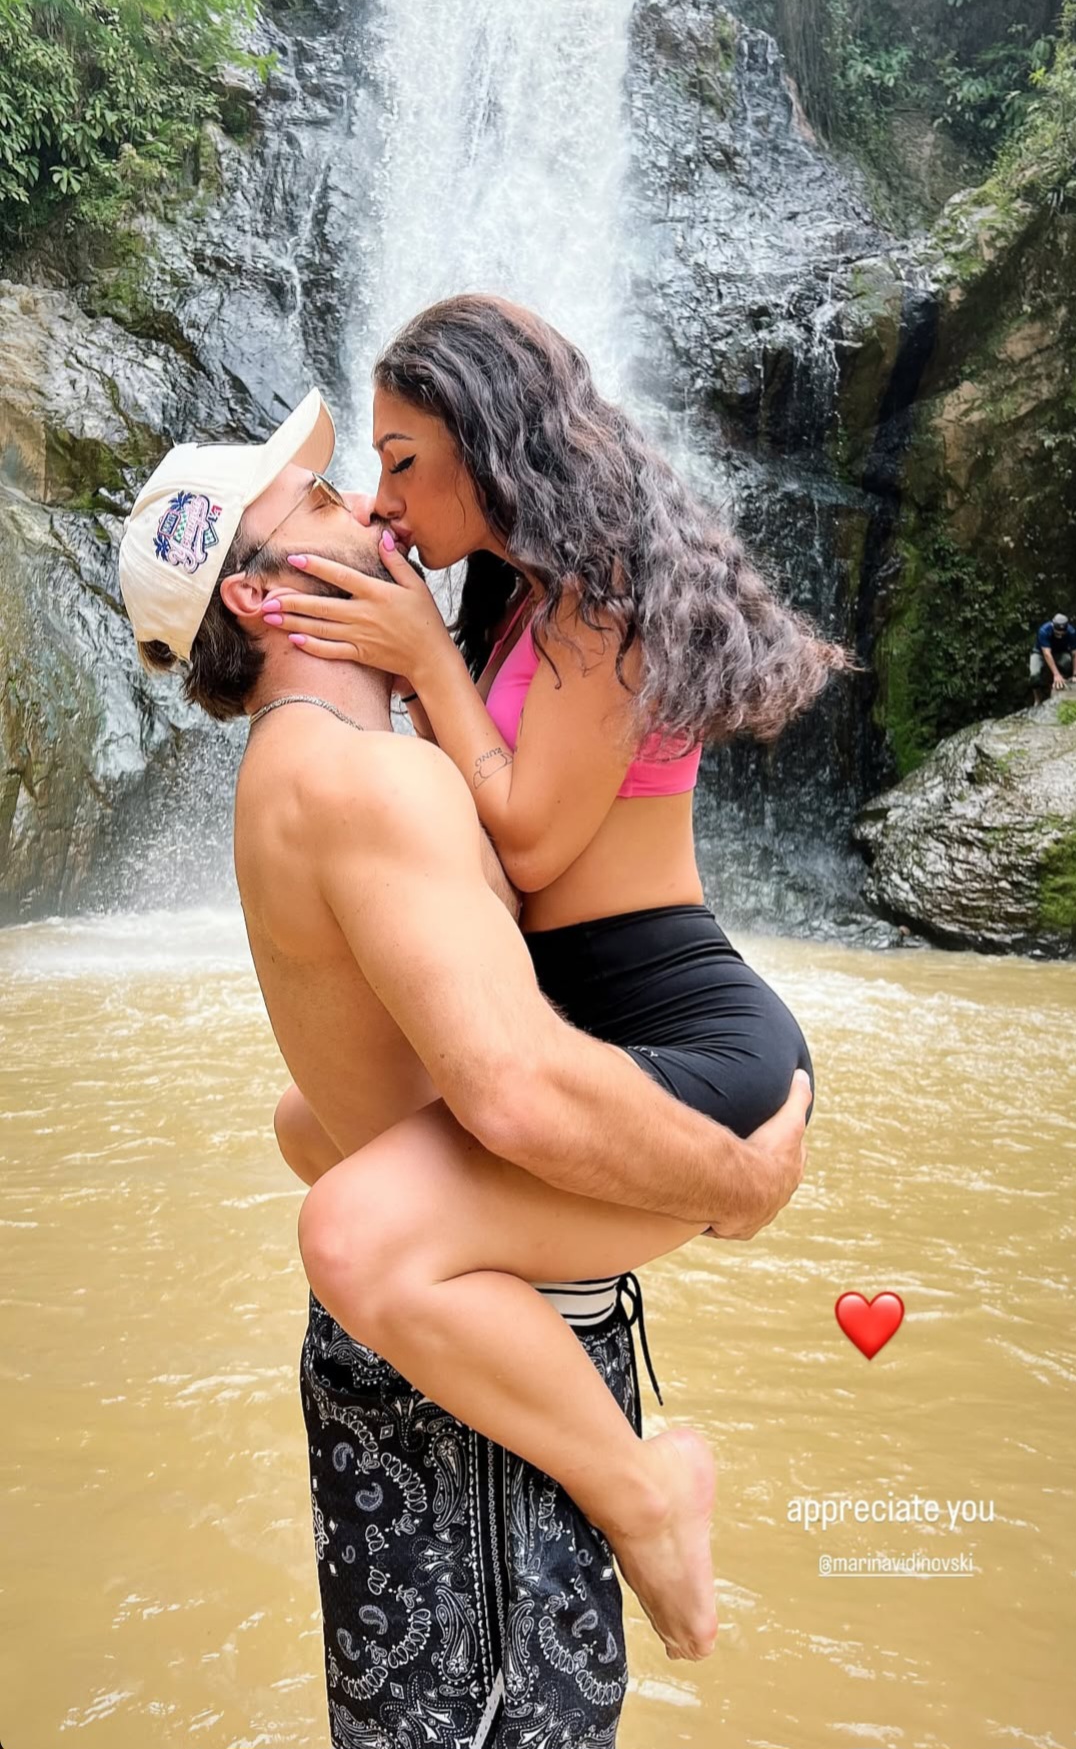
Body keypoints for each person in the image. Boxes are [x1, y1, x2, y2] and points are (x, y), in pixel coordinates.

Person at [117, 391, 812, 1723]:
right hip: (482, 1355)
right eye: (321, 501)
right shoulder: (370, 779)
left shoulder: (298, 767)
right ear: (262, 599)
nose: (369, 506)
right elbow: (512, 1089)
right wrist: (736, 1181)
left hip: (447, 1338)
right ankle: (644, 1487)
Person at [1030, 611, 1076, 702]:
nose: (1060, 635)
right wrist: (1056, 674)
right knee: (1034, 675)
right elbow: (1047, 654)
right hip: (1040, 653)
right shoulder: (1044, 631)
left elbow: (1075, 654)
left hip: (1060, 652)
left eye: (1062, 633)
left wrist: (1075, 674)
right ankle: (1037, 700)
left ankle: (1061, 684)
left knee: (1067, 661)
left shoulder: (1071, 632)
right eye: (1057, 633)